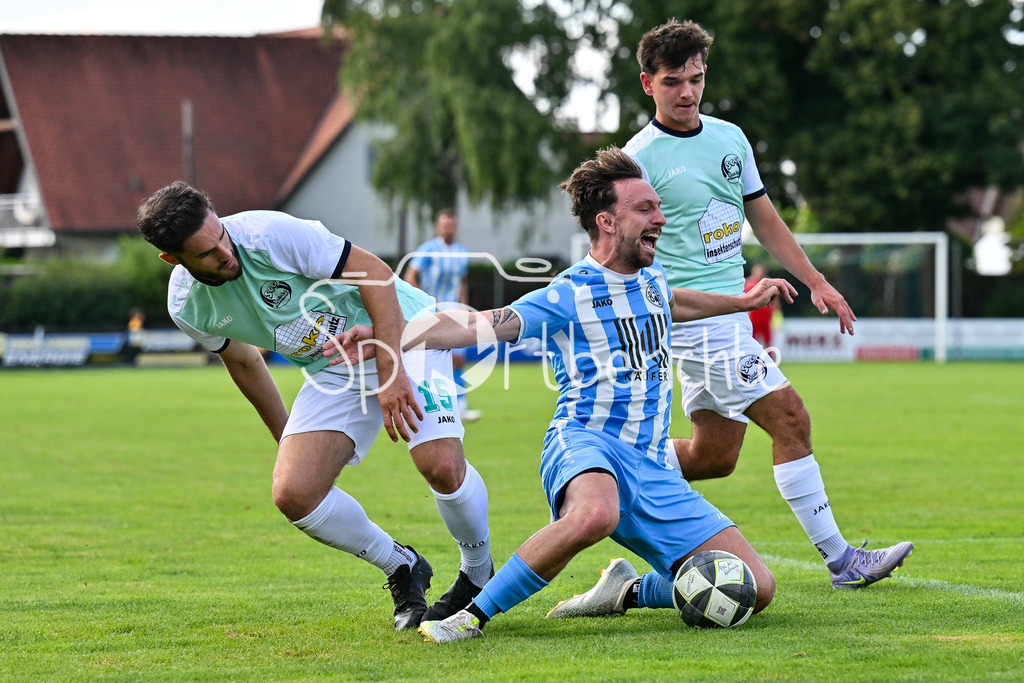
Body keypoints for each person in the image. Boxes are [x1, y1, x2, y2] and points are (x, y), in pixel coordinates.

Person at [325, 147, 790, 643]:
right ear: (607, 221)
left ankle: (624, 592)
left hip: (654, 465)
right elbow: (476, 325)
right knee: (596, 512)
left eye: (657, 206)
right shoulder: (569, 291)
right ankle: (471, 616)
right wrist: (386, 334)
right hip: (585, 443)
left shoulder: (652, 278)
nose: (661, 217)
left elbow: (673, 301)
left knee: (757, 587)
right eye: (646, 209)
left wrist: (740, 301)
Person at [623, 19, 913, 588]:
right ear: (647, 84)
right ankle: (842, 561)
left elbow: (765, 220)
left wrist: (817, 281)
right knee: (791, 418)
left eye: (697, 78)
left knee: (714, 458)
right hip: (695, 323)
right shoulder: (639, 159)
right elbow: (626, 251)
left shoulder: (730, 138)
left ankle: (616, 472)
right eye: (673, 81)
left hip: (728, 320)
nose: (687, 92)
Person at [136, 182, 493, 630]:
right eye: (207, 253)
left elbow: (376, 274)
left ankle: (478, 574)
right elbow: (243, 360)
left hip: (406, 333)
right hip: (334, 368)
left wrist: (391, 370)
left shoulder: (270, 234)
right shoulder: (186, 305)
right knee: (294, 493)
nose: (226, 253)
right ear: (173, 259)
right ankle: (402, 566)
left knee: (438, 463)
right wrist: (287, 438)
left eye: (222, 235)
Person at [403, 208, 481, 422]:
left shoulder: (462, 251)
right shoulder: (428, 249)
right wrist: (422, 301)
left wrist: (464, 305)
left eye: (452, 224)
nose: (449, 228)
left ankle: (459, 405)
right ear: (439, 226)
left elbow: (462, 281)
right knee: (433, 357)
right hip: (431, 310)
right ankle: (430, 403)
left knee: (457, 358)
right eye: (445, 224)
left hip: (454, 310)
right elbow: (410, 276)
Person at [744, 263, 777, 348]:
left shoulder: (769, 283)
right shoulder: (748, 283)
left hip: (765, 315)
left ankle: (769, 357)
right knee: (752, 338)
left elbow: (775, 299)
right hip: (754, 315)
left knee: (767, 339)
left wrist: (775, 313)